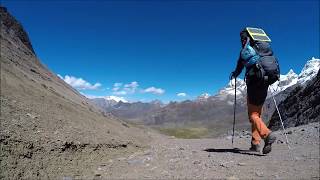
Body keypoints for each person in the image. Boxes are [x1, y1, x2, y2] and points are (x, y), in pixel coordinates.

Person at [230, 28, 277, 154]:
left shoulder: (246, 50)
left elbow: (239, 67)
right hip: (265, 83)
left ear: (246, 38)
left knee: (253, 115)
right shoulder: (266, 49)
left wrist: (234, 74)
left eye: (242, 39)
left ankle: (267, 135)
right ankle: (255, 143)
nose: (241, 41)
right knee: (257, 114)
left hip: (254, 84)